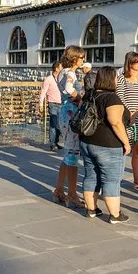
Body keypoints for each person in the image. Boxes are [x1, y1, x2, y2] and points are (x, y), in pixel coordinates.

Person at [80, 66, 132, 224]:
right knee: (111, 179)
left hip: (87, 141)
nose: (117, 81)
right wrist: (126, 143)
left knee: (91, 176)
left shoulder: (89, 95)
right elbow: (115, 122)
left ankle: (91, 209)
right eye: (116, 78)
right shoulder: (111, 98)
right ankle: (115, 214)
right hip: (108, 145)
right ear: (111, 79)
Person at [52, 45, 86, 208]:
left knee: (68, 154)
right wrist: (79, 98)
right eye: (81, 57)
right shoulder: (70, 73)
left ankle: (59, 190)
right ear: (74, 58)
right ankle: (72, 194)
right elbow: (68, 88)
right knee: (73, 154)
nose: (83, 60)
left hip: (64, 112)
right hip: (72, 113)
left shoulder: (61, 72)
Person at [116, 52, 138, 191]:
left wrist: (137, 113)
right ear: (130, 63)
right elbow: (120, 97)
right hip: (125, 117)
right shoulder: (122, 79)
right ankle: (115, 181)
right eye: (137, 61)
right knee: (122, 149)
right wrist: (129, 114)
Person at [39, 61, 63, 152]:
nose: (62, 69)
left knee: (60, 125)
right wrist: (41, 104)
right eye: (61, 67)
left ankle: (57, 142)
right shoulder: (48, 79)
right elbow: (43, 92)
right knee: (53, 124)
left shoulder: (62, 78)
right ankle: (52, 144)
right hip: (52, 104)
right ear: (56, 69)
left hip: (62, 104)